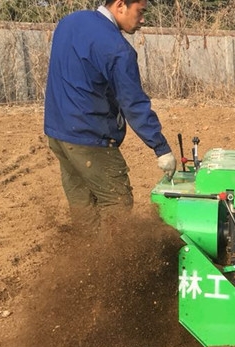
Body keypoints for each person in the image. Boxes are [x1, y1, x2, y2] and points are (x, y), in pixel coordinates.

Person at [44, 0, 176, 226]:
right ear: (121, 5)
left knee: (83, 207)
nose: (143, 19)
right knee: (118, 205)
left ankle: (84, 255)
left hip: (57, 133)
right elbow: (133, 103)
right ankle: (112, 261)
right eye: (140, 11)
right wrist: (160, 148)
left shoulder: (70, 22)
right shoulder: (118, 49)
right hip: (90, 138)